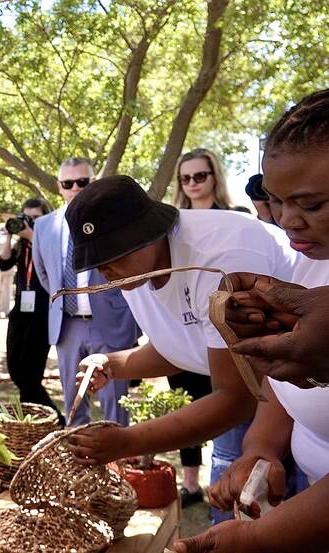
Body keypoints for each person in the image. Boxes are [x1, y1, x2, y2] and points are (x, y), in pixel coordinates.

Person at [65, 175, 297, 524]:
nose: (103, 269)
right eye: (96, 260)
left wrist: (126, 442)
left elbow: (237, 396)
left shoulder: (218, 258)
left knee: (270, 521)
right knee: (234, 515)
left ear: (148, 232)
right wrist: (113, 364)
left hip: (294, 390)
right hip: (254, 392)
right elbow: (177, 346)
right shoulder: (134, 267)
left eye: (112, 256)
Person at [173, 88, 329, 552]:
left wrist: (259, 538)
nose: (287, 221)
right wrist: (261, 448)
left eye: (312, 205)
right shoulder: (311, 262)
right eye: (277, 201)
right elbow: (286, 388)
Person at [33, 157, 139, 427]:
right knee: (74, 401)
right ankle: (79, 463)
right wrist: (67, 302)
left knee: (115, 403)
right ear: (59, 187)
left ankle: (118, 464)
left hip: (110, 324)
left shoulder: (114, 222)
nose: (76, 188)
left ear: (94, 183)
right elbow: (45, 275)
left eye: (83, 182)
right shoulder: (44, 226)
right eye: (69, 183)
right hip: (67, 327)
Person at [168, 148, 237, 506]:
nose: (192, 183)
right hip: (185, 328)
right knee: (187, 408)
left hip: (226, 329)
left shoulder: (235, 219)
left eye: (200, 176)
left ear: (214, 177)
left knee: (228, 406)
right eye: (185, 177)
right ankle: (191, 485)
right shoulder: (171, 224)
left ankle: (224, 484)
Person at [0, 198, 59, 407]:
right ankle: (44, 416)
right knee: (15, 368)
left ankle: (47, 417)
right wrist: (10, 234)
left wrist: (33, 236)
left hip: (42, 313)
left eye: (36, 218)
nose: (31, 222)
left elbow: (52, 264)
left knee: (31, 374)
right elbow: (4, 263)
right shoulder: (22, 245)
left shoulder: (52, 241)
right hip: (20, 312)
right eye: (27, 218)